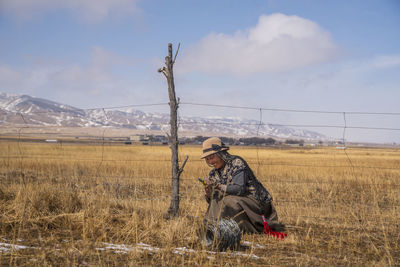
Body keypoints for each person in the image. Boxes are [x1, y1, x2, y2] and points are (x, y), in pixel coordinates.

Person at [200, 137, 285, 235]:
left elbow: (239, 189)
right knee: (218, 198)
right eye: (207, 159)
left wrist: (219, 186)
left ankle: (247, 228)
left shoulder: (236, 163)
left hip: (257, 203)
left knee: (228, 200)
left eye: (212, 157)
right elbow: (211, 202)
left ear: (221, 154)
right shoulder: (213, 174)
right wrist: (209, 194)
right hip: (238, 203)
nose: (210, 162)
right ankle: (211, 228)